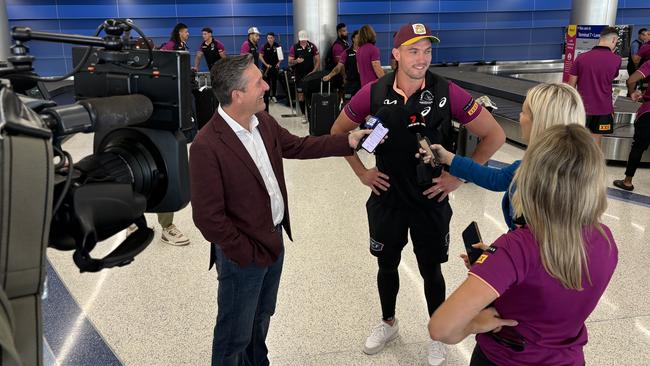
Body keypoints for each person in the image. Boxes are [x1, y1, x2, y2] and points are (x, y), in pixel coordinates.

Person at [330, 22, 505, 366]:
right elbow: (338, 133)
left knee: (430, 270)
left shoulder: (447, 91)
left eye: (426, 50)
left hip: (431, 200)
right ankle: (388, 323)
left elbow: (493, 135)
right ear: (395, 55)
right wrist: (363, 173)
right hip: (387, 198)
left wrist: (458, 177)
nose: (422, 58)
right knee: (387, 264)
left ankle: (437, 335)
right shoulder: (373, 92)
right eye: (413, 50)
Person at [189, 54, 372, 366]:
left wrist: (347, 141)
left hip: (273, 241)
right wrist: (245, 252)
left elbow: (299, 147)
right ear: (237, 95)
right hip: (242, 254)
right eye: (258, 82)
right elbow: (208, 218)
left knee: (261, 319)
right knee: (234, 333)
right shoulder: (207, 145)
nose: (265, 86)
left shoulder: (264, 123)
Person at [429, 124, 618, 366]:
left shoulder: (516, 247)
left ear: (531, 178)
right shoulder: (606, 239)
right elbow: (552, 288)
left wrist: (477, 323)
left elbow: (441, 328)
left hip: (504, 357)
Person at [426, 83, 585, 230]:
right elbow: (496, 178)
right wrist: (450, 158)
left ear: (539, 123)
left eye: (524, 112)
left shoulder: (535, 176)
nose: (520, 117)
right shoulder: (576, 172)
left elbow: (496, 180)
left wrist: (494, 255)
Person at [158, 22, 193, 245]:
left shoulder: (182, 45)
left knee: (165, 170)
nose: (188, 34)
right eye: (186, 30)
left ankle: (166, 225)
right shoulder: (170, 46)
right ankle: (132, 219)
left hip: (175, 105)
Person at [568, 26, 621, 145]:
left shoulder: (581, 58)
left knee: (577, 141)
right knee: (595, 143)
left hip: (582, 109)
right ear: (613, 40)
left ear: (600, 38)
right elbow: (611, 77)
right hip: (603, 109)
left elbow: (571, 86)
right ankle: (593, 163)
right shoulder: (616, 59)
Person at [612, 59, 650, 191]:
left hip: (648, 112)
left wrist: (633, 92)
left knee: (638, 147)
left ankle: (627, 182)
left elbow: (631, 80)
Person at [288, 30, 320, 122]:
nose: (303, 41)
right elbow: (290, 61)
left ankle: (312, 115)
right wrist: (296, 61)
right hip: (299, 75)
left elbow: (318, 60)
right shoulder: (294, 47)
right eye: (302, 40)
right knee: (301, 95)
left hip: (310, 75)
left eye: (305, 40)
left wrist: (314, 72)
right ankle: (303, 115)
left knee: (311, 95)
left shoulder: (312, 46)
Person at [323, 30, 361, 104]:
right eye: (358, 37)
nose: (360, 39)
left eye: (361, 38)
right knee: (347, 104)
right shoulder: (346, 52)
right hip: (350, 83)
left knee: (361, 104)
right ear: (353, 39)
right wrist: (330, 75)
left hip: (362, 82)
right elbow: (339, 66)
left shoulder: (364, 51)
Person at [325, 23, 350, 103]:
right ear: (339, 32)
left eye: (346, 30)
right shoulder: (338, 46)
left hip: (343, 73)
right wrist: (344, 77)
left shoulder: (345, 43)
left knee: (343, 93)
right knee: (340, 95)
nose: (346, 32)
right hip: (337, 75)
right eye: (344, 31)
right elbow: (340, 64)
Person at [261, 32, 281, 103]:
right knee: (267, 82)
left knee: (274, 82)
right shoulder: (264, 46)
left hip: (275, 67)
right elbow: (260, 56)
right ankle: (268, 96)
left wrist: (278, 63)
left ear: (274, 38)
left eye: (271, 38)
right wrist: (266, 64)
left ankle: (274, 96)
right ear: (267, 38)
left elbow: (280, 57)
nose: (270, 39)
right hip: (267, 68)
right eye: (268, 38)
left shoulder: (277, 46)